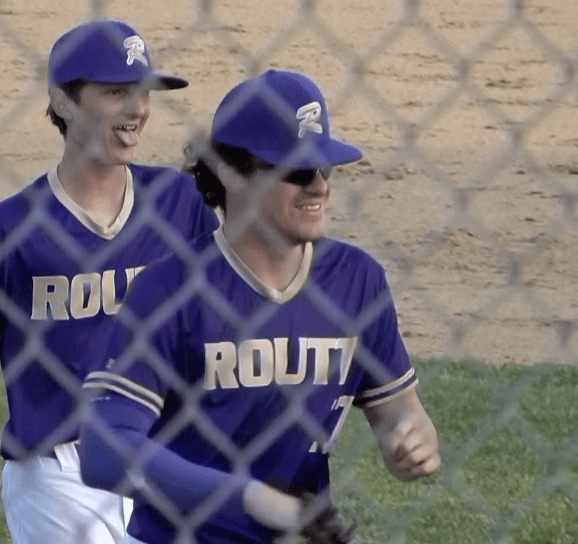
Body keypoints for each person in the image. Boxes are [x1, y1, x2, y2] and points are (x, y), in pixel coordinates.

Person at [0, 19, 219, 544]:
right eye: (116, 93)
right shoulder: (10, 229)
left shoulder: (178, 204)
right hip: (59, 476)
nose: (137, 109)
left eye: (143, 92)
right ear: (62, 101)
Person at [78, 69, 441, 544]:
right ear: (231, 173)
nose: (319, 186)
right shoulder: (170, 290)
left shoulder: (357, 281)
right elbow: (104, 453)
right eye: (297, 171)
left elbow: (401, 413)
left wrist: (411, 439)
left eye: (325, 168)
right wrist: (250, 499)